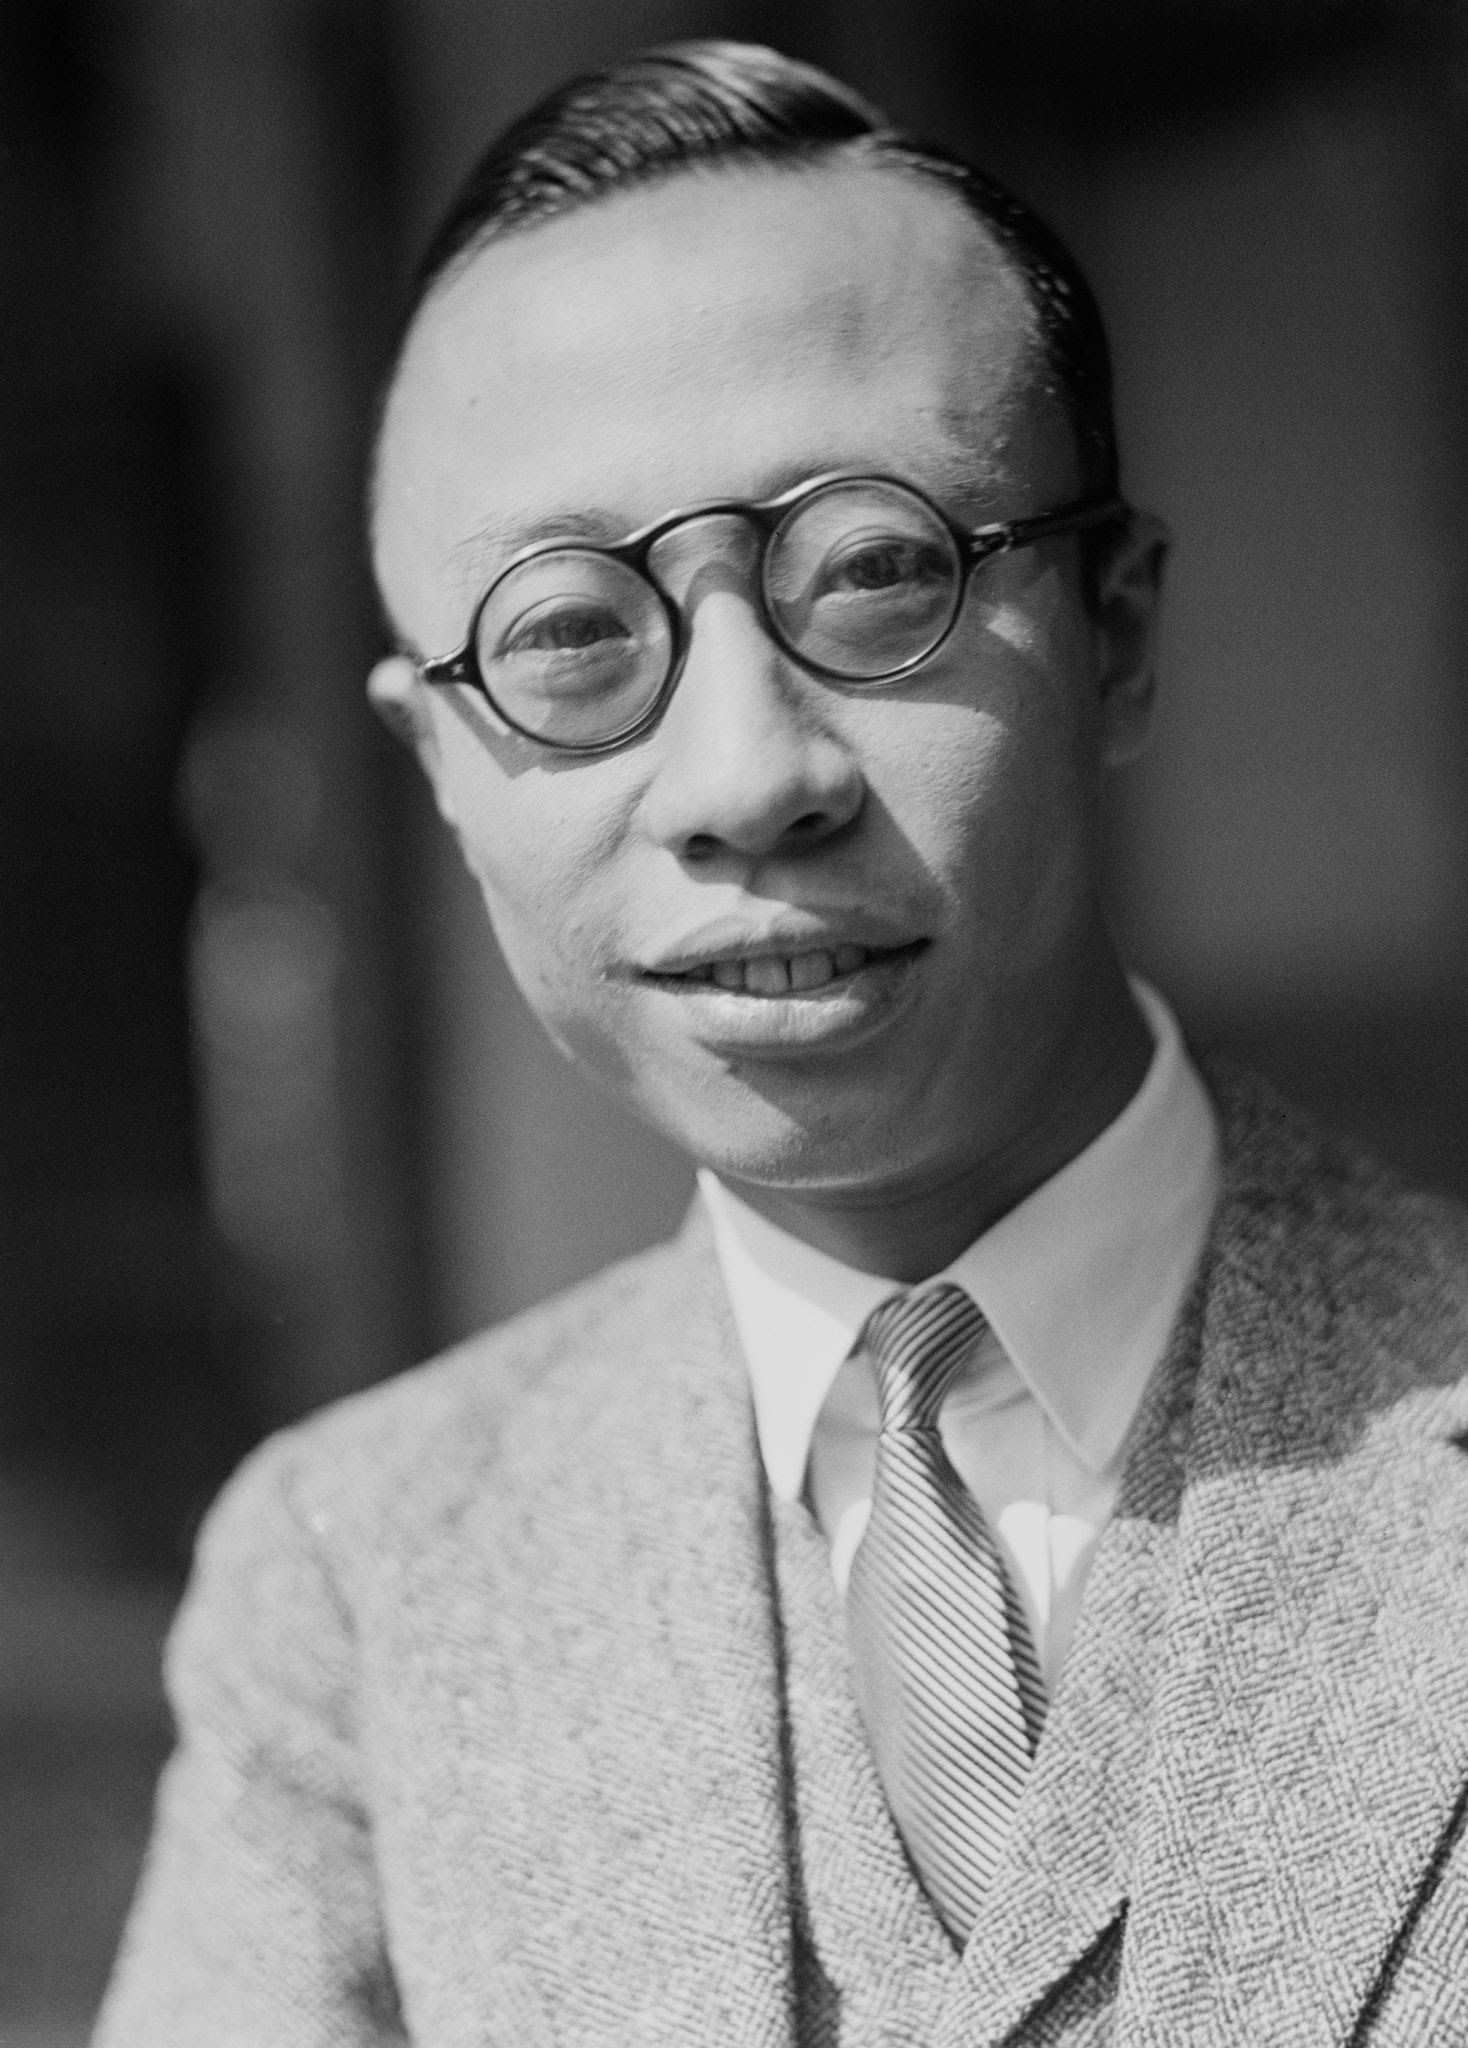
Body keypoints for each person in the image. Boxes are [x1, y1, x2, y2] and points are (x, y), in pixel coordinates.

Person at [95, 39, 1468, 2048]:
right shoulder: (358, 1579)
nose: (749, 778)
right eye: (572, 636)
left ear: (1117, 631)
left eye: (878, 575)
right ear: (439, 762)